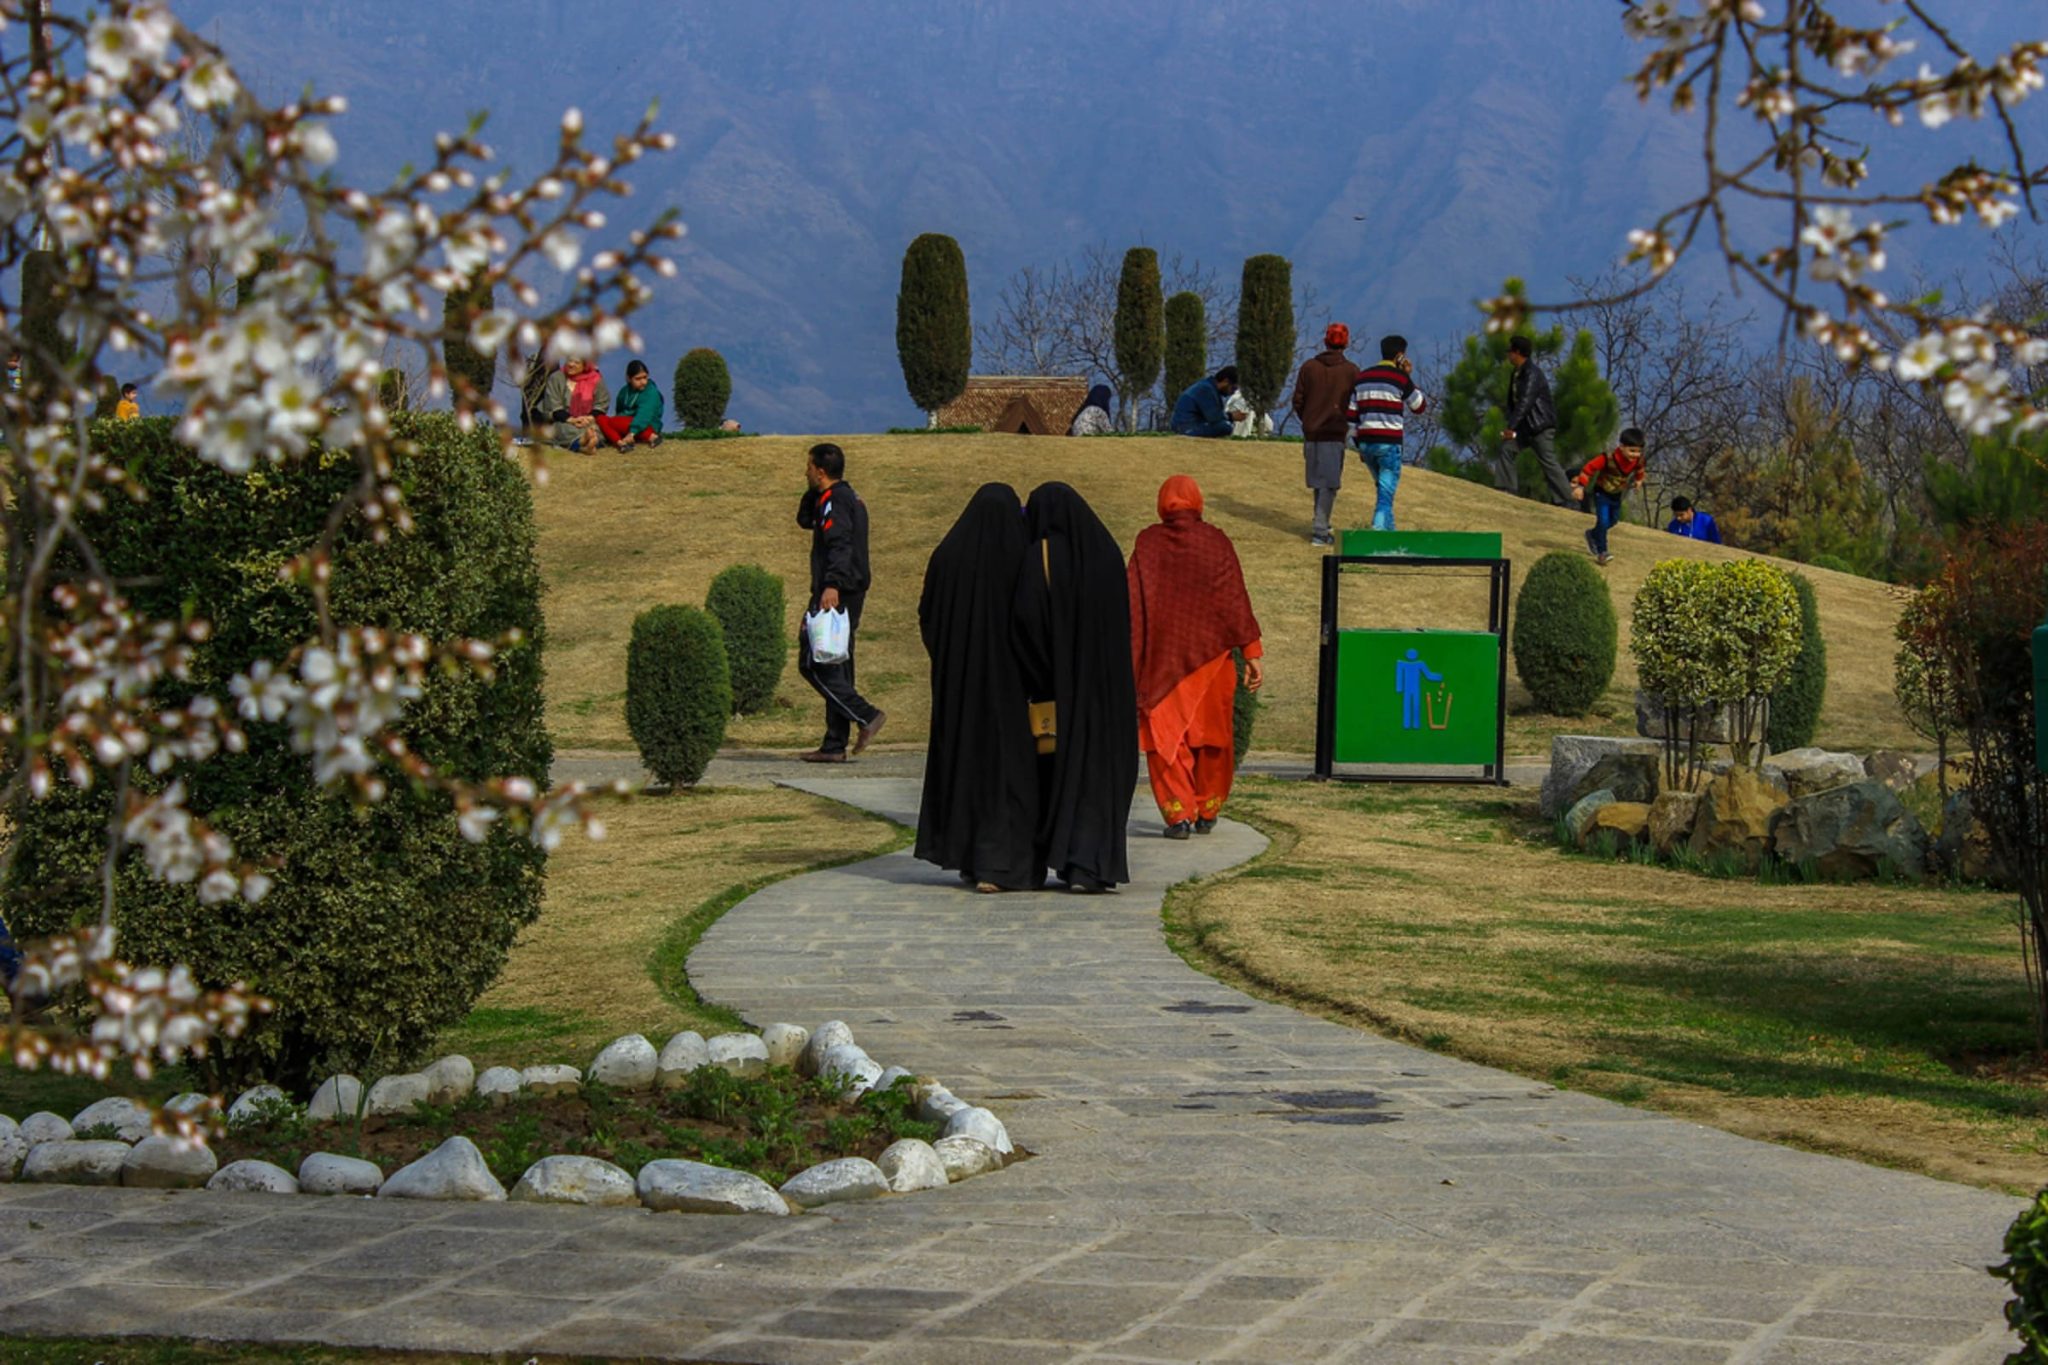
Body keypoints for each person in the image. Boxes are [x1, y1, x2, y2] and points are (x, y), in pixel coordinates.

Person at [916, 484, 1042, 893]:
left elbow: (928, 617)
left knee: (964, 767)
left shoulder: (947, 556)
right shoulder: (1018, 558)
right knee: (1006, 774)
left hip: (957, 688)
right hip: (1008, 688)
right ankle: (998, 865)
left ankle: (968, 858)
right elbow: (1031, 621)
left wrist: (950, 661)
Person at [1014, 482, 1137, 892]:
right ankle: (1093, 865)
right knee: (1100, 776)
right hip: (1110, 694)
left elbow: (1028, 624)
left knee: (1063, 774)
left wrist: (1040, 677)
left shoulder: (1041, 556)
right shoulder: (1106, 553)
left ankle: (1065, 856)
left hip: (1062, 690)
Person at [1127, 476, 1265, 839]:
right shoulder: (1215, 542)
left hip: (1162, 664)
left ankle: (1179, 816)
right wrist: (1251, 652)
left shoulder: (1147, 544)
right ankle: (1207, 809)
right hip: (1212, 664)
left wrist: (1130, 662)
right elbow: (1234, 599)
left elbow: (1132, 609)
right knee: (1213, 740)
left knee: (1166, 740)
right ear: (1197, 502)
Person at [796, 442, 884, 763]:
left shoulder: (837, 500)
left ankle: (866, 715)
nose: (805, 471)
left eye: (809, 467)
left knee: (813, 661)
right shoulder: (840, 497)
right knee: (837, 662)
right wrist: (813, 490)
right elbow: (805, 519)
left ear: (820, 470)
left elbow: (840, 543)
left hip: (837, 591)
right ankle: (835, 744)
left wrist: (831, 583)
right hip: (846, 588)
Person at [1348, 335, 1430, 532]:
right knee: (1386, 492)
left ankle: (1390, 531)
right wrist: (1408, 375)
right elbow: (1419, 406)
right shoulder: (1400, 379)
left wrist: (1357, 443)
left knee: (1384, 490)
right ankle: (1378, 531)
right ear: (1400, 355)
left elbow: (1351, 415)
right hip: (1389, 444)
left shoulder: (1362, 378)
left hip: (1366, 443)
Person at [1291, 323, 1358, 546]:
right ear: (1346, 343)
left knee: (1320, 481)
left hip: (1312, 432)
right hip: (1335, 432)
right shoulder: (1351, 371)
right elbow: (1356, 403)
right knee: (1329, 483)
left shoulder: (1309, 367)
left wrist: (1308, 419)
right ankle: (1320, 530)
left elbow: (1298, 400)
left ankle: (1321, 522)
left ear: (1325, 341)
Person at [1497, 336, 1572, 504]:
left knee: (1548, 462)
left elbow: (1525, 402)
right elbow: (1513, 402)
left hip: (1540, 426)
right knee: (1507, 448)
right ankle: (1506, 488)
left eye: (1510, 351)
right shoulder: (1517, 373)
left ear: (1517, 352)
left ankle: (1567, 500)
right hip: (1524, 428)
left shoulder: (1532, 374)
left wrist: (1511, 427)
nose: (1508, 355)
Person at [1572, 426, 1649, 566]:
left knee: (1612, 521)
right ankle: (1602, 552)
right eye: (1632, 451)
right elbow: (1589, 468)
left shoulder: (1638, 461)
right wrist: (1580, 487)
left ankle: (1592, 534)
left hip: (1616, 494)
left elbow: (1640, 470)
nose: (1635, 455)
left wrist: (1639, 481)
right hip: (1601, 492)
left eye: (1638, 451)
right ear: (1621, 447)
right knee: (1603, 521)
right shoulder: (1607, 458)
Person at [537, 357, 610, 453]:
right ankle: (583, 442)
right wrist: (572, 420)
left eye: (576, 362)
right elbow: (553, 406)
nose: (571, 365)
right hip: (564, 421)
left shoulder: (596, 379)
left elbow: (601, 404)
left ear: (585, 365)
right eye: (569, 360)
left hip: (588, 421)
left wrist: (588, 418)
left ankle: (585, 444)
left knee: (596, 429)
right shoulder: (556, 378)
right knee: (562, 429)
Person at [595, 359, 664, 449]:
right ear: (629, 378)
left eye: (645, 377)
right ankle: (621, 444)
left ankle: (652, 437)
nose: (643, 382)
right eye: (638, 379)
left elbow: (644, 415)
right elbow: (619, 411)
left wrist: (632, 433)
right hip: (627, 424)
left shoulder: (651, 392)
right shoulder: (624, 392)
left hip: (646, 425)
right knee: (601, 418)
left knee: (613, 422)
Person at [1170, 366, 1240, 439]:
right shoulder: (1206, 389)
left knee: (1224, 426)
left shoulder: (1209, 387)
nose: (1232, 393)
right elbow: (1214, 418)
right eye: (1233, 388)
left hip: (1187, 425)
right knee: (1225, 427)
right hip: (1186, 428)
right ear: (1225, 381)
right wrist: (1231, 416)